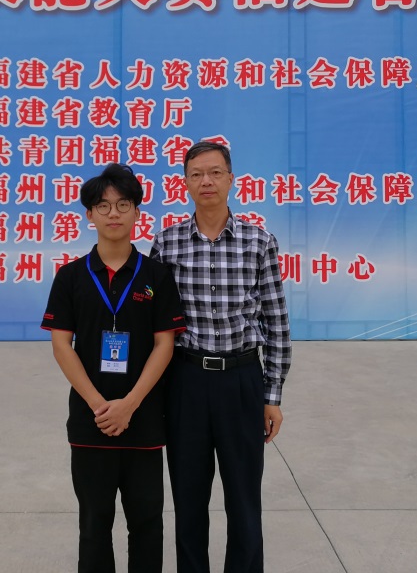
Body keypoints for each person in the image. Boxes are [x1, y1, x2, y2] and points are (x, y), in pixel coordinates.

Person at [150, 140, 292, 573]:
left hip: (241, 379)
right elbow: (155, 323)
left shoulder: (258, 241)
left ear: (231, 179)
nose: (206, 181)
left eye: (214, 172)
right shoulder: (167, 243)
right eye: (196, 174)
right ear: (185, 183)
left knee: (244, 499)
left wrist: (272, 395)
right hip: (187, 381)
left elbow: (276, 321)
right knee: (188, 498)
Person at [42, 162, 186, 573]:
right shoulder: (70, 276)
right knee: (94, 524)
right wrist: (100, 406)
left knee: (147, 523)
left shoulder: (157, 275)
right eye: (103, 206)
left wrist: (129, 405)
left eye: (123, 204)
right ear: (89, 214)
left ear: (137, 211)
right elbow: (61, 345)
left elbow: (165, 344)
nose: (114, 214)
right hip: (91, 422)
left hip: (144, 419)